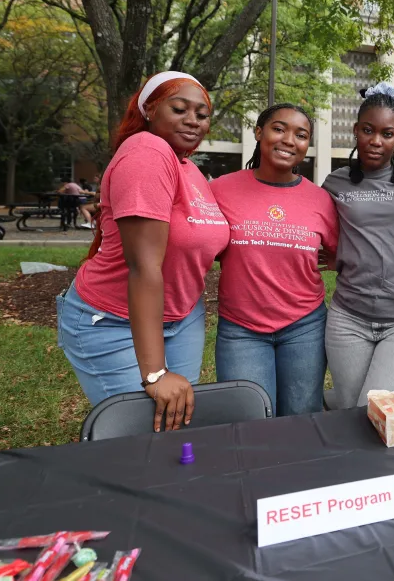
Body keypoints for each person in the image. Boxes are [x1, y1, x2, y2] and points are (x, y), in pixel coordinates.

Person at [57, 71, 229, 432]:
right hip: (113, 320)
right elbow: (145, 266)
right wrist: (155, 372)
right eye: (179, 108)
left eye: (202, 113)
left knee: (174, 426)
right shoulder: (146, 153)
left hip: (181, 318)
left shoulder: (188, 169)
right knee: (139, 435)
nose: (193, 120)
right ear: (149, 109)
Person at [210, 104, 339, 416]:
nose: (289, 140)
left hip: (304, 326)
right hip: (241, 328)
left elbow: (336, 253)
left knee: (301, 417)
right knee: (248, 418)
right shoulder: (220, 189)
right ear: (259, 133)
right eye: (279, 129)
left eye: (301, 134)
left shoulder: (320, 199)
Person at [322, 83, 394, 409]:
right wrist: (334, 253)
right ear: (356, 130)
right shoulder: (335, 182)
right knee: (351, 414)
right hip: (348, 319)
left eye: (387, 133)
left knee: (378, 414)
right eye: (368, 131)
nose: (376, 141)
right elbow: (318, 226)